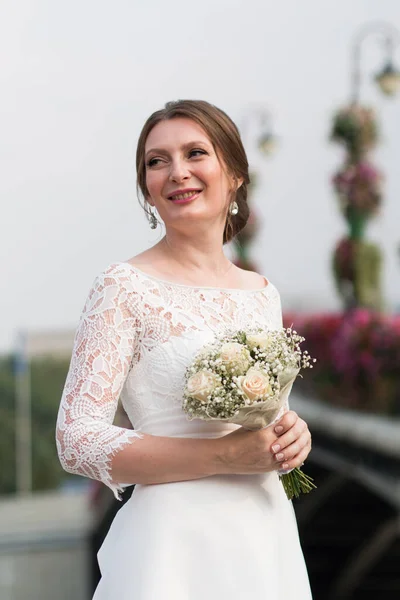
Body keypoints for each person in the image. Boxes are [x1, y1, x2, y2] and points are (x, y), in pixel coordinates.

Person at [56, 99, 313, 599]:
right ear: (147, 187)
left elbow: (266, 416)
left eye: (195, 153)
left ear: (235, 174)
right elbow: (77, 440)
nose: (177, 173)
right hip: (172, 549)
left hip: (264, 537)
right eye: (157, 161)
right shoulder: (122, 287)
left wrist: (293, 434)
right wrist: (223, 455)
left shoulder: (262, 292)